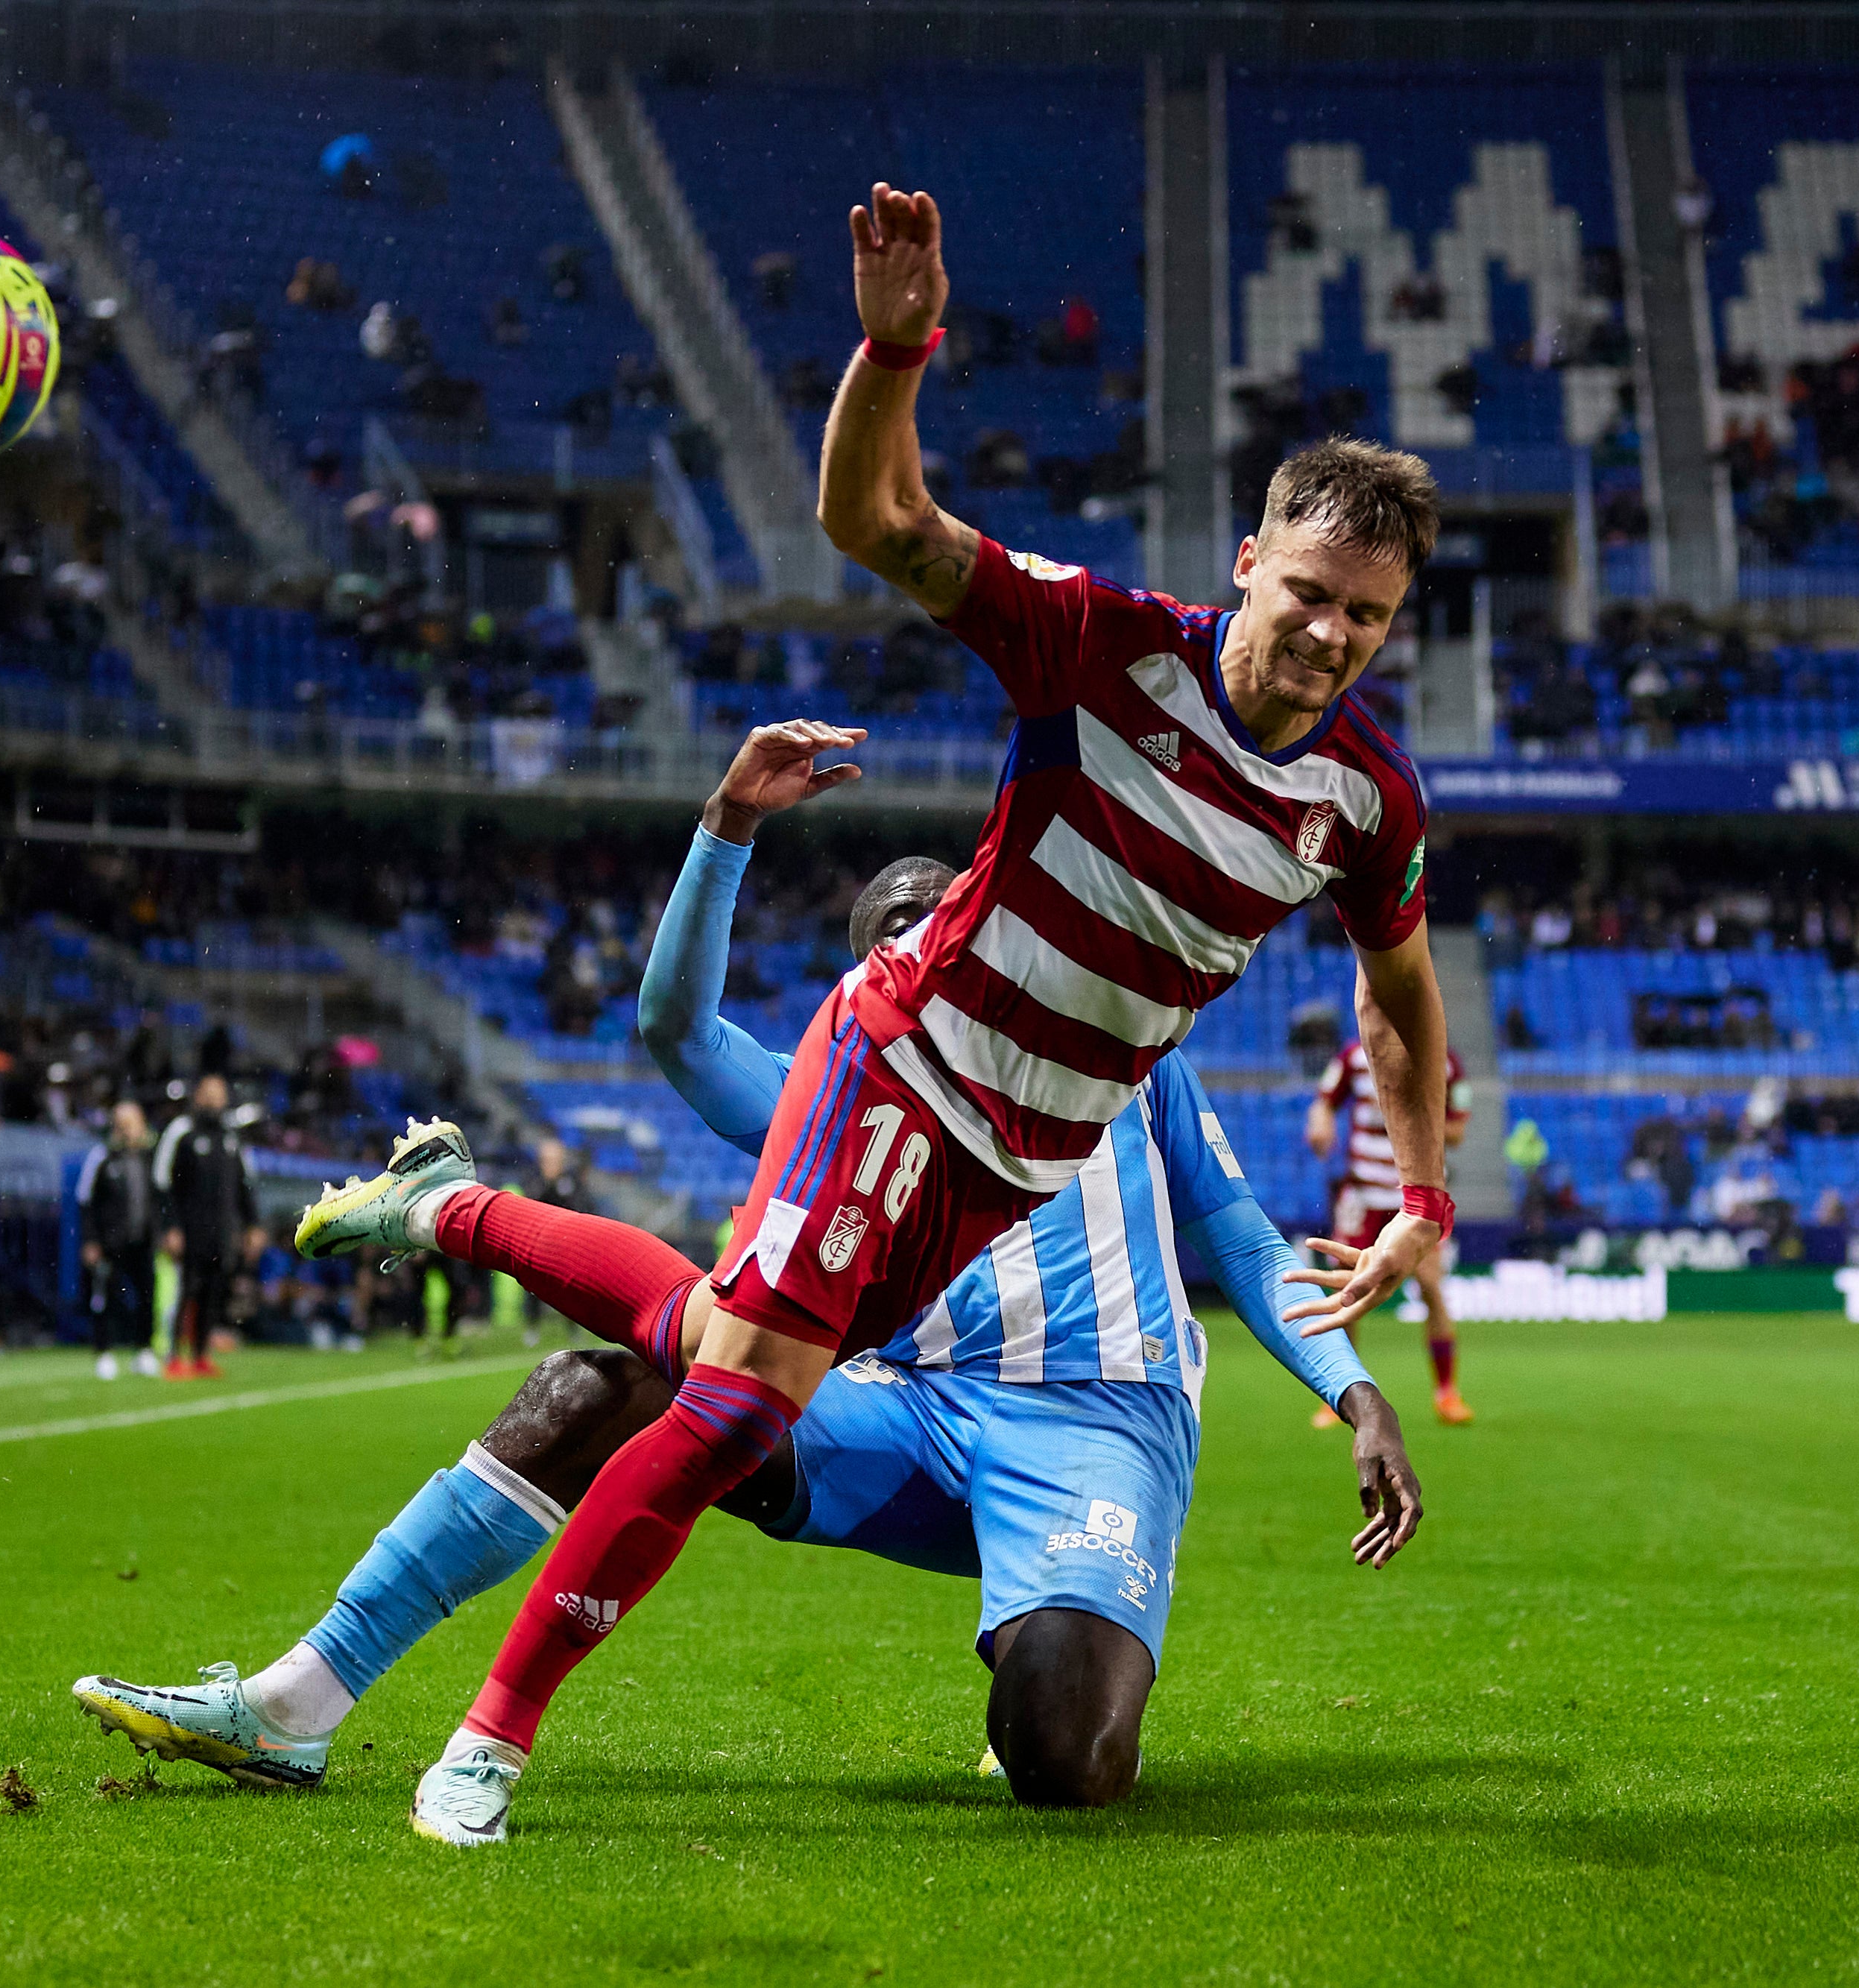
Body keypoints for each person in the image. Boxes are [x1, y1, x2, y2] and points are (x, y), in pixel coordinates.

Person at [282, 182, 1456, 1843]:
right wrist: (894, 350)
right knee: (732, 1392)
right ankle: (484, 1739)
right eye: (1310, 593)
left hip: (1008, 1167)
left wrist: (1416, 1198)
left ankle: (453, 1205)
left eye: (1368, 617)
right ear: (1247, 562)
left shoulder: (1365, 797)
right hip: (898, 1064)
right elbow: (876, 522)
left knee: (719, 1344)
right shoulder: (1104, 647)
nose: (1330, 636)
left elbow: (1397, 990)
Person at [75, 725, 1419, 1820]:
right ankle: (299, 1702)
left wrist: (1353, 1390)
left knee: (1066, 1760)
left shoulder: (1130, 1057)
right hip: (899, 1414)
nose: (910, 944)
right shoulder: (831, 1097)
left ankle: (1044, 1648)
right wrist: (725, 826)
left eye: (929, 920)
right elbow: (674, 1027)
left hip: (1097, 1426)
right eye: (880, 939)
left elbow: (1239, 1241)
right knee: (591, 1386)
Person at [1307, 1030, 1471, 1426]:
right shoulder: (1352, 1057)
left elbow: (1458, 1131)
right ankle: (1338, 1395)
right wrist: (1321, 1125)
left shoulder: (1443, 1062)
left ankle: (1447, 1392)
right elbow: (1324, 1102)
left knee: (1431, 1287)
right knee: (1348, 1293)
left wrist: (1412, 1108)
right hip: (1363, 1193)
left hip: (1415, 1197)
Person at [156, 1075, 259, 1380]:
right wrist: (170, 1227)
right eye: (209, 1094)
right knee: (185, 1290)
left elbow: (246, 1186)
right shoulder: (182, 1132)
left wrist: (252, 1226)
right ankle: (174, 1355)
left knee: (213, 1293)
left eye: (219, 1094)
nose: (214, 1100)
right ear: (198, 1097)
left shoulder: (232, 1138)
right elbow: (163, 1183)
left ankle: (201, 1355)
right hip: (189, 1232)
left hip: (222, 1232)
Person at [78, 1099, 162, 1380]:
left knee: (147, 1297)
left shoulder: (152, 1158)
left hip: (143, 1240)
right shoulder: (102, 1157)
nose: (126, 1131)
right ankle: (104, 1353)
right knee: (106, 1299)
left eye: (131, 1124)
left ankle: (144, 1351)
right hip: (110, 1243)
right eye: (121, 1124)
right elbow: (85, 1201)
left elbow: (164, 1197)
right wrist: (90, 1240)